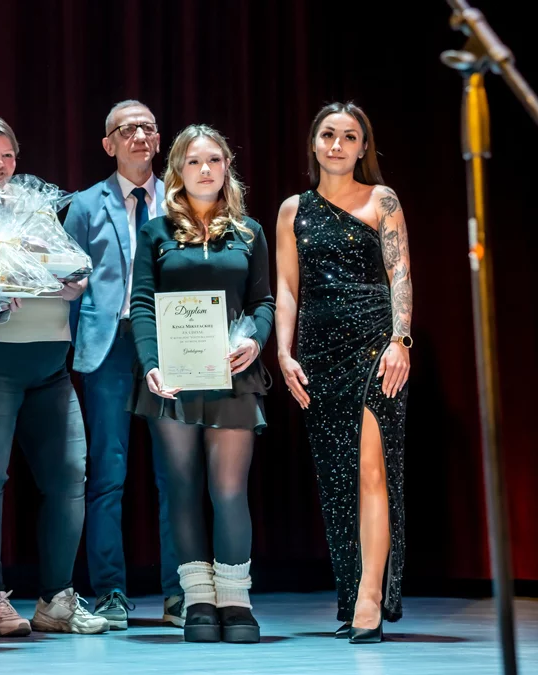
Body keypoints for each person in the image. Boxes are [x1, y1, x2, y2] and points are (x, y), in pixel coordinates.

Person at [0, 115, 108, 636]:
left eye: (7, 156)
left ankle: (56, 600)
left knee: (70, 476)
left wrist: (68, 279)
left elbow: (76, 270)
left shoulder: (37, 208)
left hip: (52, 364)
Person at [131, 124, 273, 644]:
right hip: (175, 377)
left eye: (214, 159)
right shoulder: (156, 232)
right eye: (193, 161)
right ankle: (198, 603)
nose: (205, 169)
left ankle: (236, 601)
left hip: (234, 375)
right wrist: (150, 363)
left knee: (229, 490)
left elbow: (263, 302)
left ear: (226, 167)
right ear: (177, 171)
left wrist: (256, 340)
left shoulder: (250, 231)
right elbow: (142, 304)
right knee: (183, 490)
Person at [276, 102, 412, 644]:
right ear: (314, 143)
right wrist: (283, 352)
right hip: (318, 351)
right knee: (337, 479)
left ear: (363, 147)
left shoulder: (382, 199)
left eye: (349, 136)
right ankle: (352, 590)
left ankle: (371, 599)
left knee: (372, 470)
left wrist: (401, 340)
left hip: (375, 344)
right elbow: (288, 288)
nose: (337, 144)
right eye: (328, 134)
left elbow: (400, 272)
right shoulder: (293, 209)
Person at [64, 99, 185, 629]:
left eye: (148, 127)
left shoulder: (181, 200)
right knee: (107, 473)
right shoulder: (85, 205)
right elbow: (69, 285)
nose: (139, 135)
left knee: (175, 474)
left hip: (171, 342)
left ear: (158, 140)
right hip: (109, 345)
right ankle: (110, 591)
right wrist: (79, 342)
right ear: (108, 143)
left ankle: (179, 592)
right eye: (127, 128)